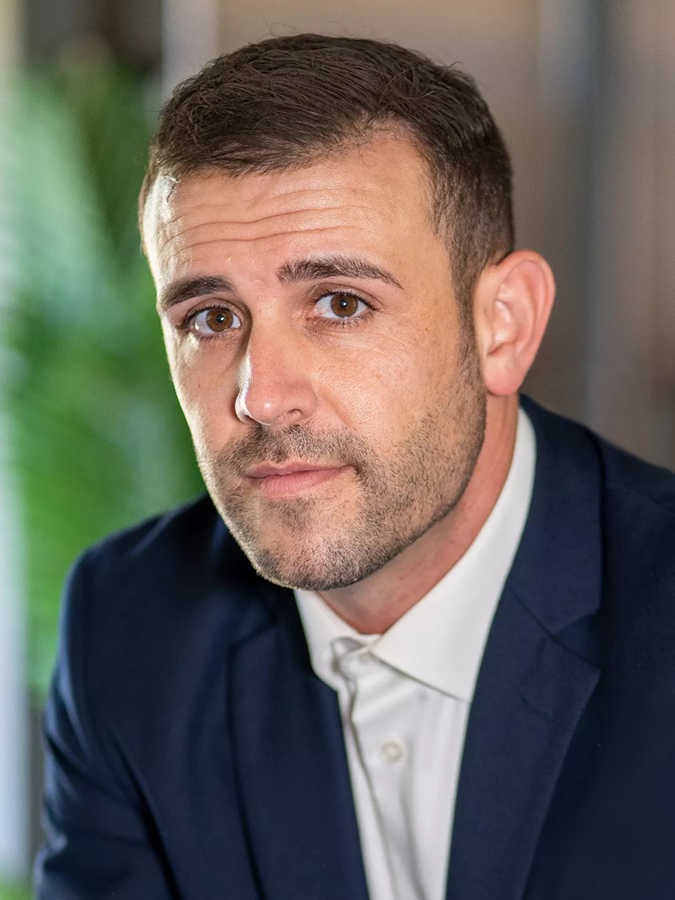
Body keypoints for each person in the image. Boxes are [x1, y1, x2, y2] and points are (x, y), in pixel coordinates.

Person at [36, 34, 675, 900]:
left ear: (504, 325)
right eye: (211, 318)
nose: (262, 397)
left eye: (340, 303)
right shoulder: (130, 626)